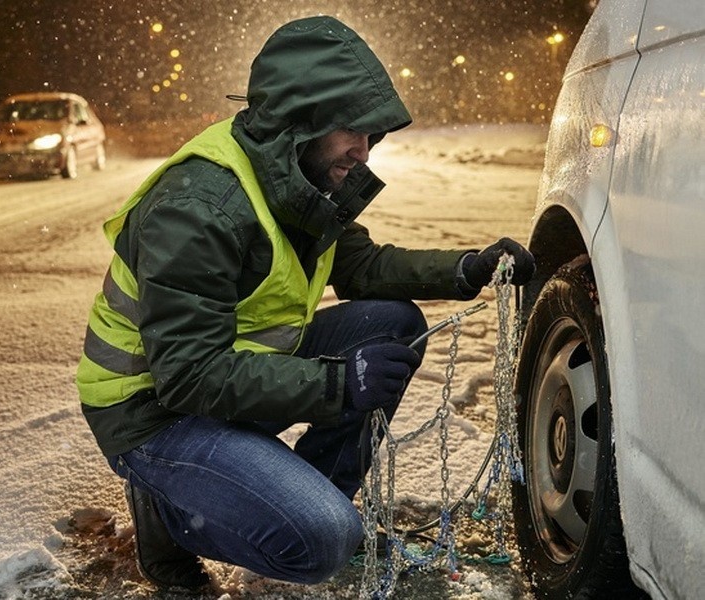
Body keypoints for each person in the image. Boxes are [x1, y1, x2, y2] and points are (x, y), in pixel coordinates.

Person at [76, 15, 535, 592]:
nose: (364, 152)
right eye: (353, 132)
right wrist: (339, 384)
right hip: (152, 411)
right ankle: (169, 512)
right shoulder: (199, 208)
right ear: (301, 123)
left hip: (228, 377)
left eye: (372, 136)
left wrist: (467, 267)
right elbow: (188, 375)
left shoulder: (302, 177)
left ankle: (286, 495)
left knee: (390, 324)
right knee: (320, 542)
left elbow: (363, 268)